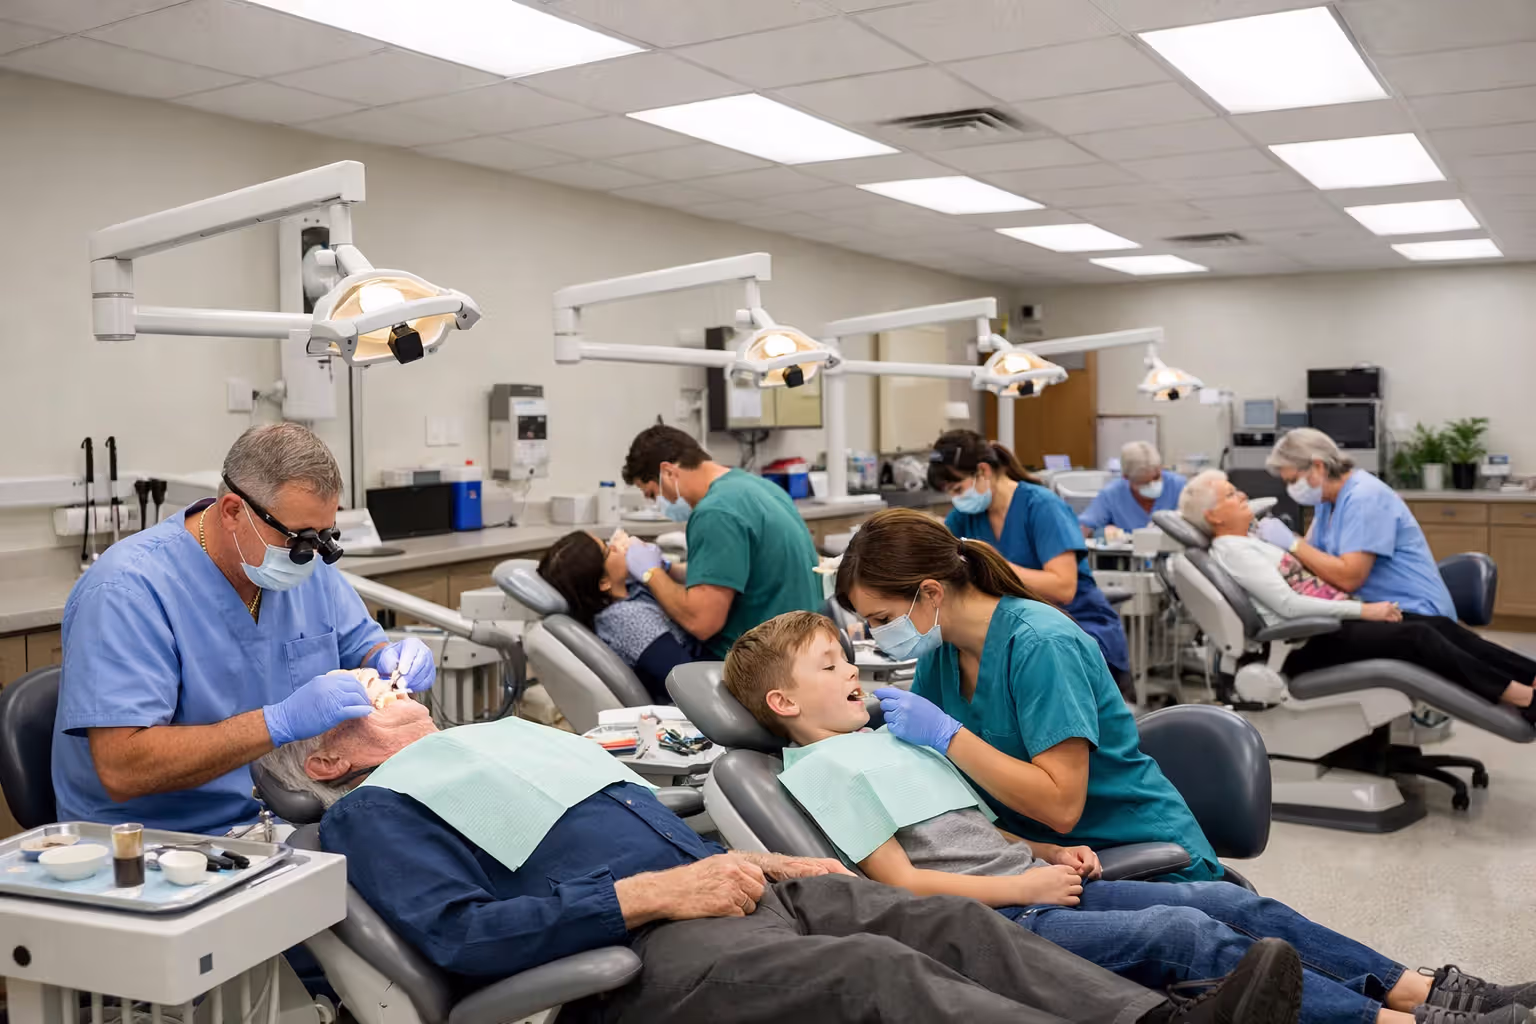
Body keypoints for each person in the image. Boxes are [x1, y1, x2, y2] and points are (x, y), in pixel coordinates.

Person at [260, 695, 1305, 1024]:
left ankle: (1162, 1017)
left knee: (943, 921)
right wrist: (657, 889)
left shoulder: (504, 746)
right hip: (636, 966)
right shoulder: (378, 811)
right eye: (370, 691)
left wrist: (753, 859)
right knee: (877, 976)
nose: (397, 681)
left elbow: (640, 832)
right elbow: (462, 937)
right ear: (330, 754)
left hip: (736, 897)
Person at [721, 610, 1536, 1024]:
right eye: (833, 665)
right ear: (786, 701)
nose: (855, 668)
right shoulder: (823, 769)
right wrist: (1024, 885)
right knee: (1182, 937)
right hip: (1000, 923)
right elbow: (900, 883)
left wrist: (1048, 848)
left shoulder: (892, 739)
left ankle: (1434, 989)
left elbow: (977, 832)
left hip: (1038, 885)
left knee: (1225, 902)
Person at [52, 423, 435, 835]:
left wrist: (385, 658)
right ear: (234, 511)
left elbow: (362, 646)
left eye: (325, 536)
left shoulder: (305, 569)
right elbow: (123, 768)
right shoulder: (127, 591)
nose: (312, 553)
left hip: (288, 814)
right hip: (163, 841)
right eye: (299, 538)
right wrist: (278, 723)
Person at [838, 507, 1220, 879]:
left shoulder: (1041, 645)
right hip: (1036, 856)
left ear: (931, 593)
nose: (877, 635)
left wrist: (948, 736)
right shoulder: (942, 652)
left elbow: (1061, 806)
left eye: (883, 619)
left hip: (1133, 853)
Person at [1180, 470, 1536, 721]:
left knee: (1437, 625)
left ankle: (1529, 674)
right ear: (1213, 516)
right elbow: (1286, 605)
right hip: (1306, 641)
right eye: (1231, 495)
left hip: (1328, 626)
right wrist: (1364, 611)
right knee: (1418, 637)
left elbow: (1262, 523)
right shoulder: (1233, 550)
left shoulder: (1250, 539)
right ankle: (1521, 697)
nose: (1242, 495)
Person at [928, 430, 1134, 696]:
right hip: (1016, 634)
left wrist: (996, 564)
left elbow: (1063, 587)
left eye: (958, 489)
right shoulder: (963, 518)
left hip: (1076, 627)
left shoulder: (1041, 506)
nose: (956, 499)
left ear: (983, 471)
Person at [620, 424, 822, 658]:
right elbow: (735, 572)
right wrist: (669, 569)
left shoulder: (715, 513)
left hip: (762, 666)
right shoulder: (758, 487)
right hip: (804, 649)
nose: (657, 504)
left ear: (668, 472)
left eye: (652, 494)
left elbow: (702, 622)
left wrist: (651, 573)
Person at [1260, 428, 1456, 619]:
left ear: (1318, 467)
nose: (1291, 489)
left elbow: (1349, 578)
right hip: (1377, 610)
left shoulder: (1364, 498)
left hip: (1414, 612)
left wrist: (1293, 543)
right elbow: (1312, 558)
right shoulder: (1326, 501)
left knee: (1314, 651)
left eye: (1294, 480)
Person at [538, 528, 704, 702]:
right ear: (603, 582)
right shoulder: (628, 620)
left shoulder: (628, 590)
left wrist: (662, 570)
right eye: (608, 550)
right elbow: (687, 680)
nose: (616, 546)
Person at [1079, 441, 1187, 538]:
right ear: (1126, 478)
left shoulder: (1179, 487)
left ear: (1160, 468)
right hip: (1128, 558)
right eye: (1145, 483)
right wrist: (1100, 533)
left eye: (1156, 477)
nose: (1153, 485)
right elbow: (1080, 529)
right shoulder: (1112, 495)